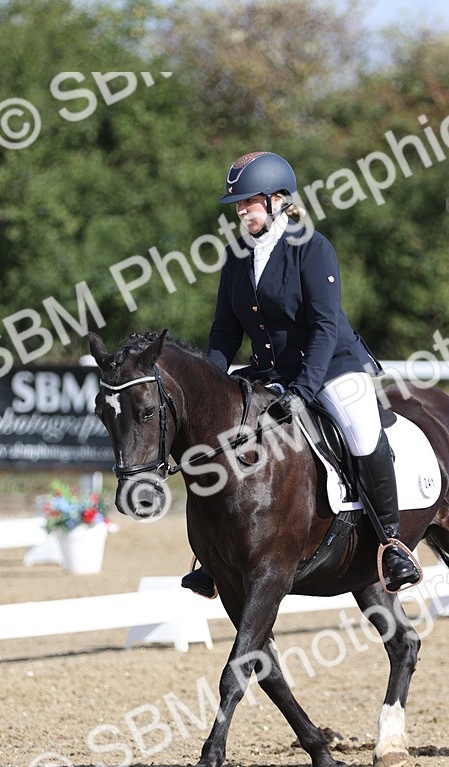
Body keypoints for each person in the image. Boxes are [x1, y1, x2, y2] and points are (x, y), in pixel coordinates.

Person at [181, 150, 422, 597]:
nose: (241, 210)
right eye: (238, 204)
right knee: (224, 432)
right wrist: (210, 384)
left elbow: (325, 327)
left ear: (277, 199)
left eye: (248, 201)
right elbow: (224, 331)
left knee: (361, 433)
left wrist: (304, 389)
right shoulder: (237, 256)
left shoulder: (312, 248)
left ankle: (392, 544)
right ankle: (214, 553)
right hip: (270, 371)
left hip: (330, 367)